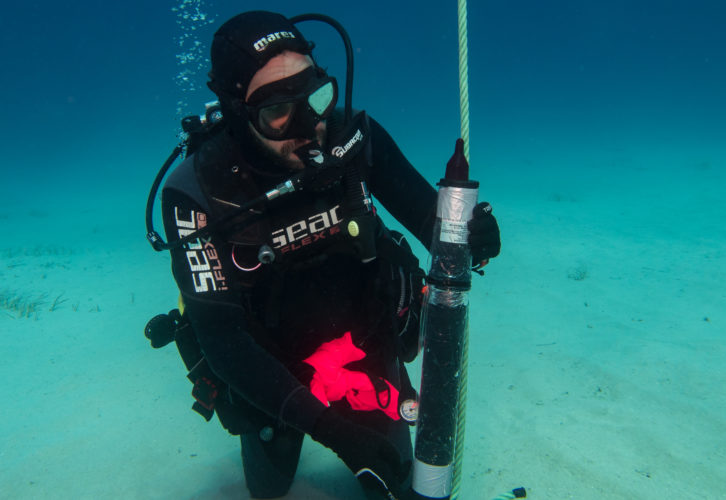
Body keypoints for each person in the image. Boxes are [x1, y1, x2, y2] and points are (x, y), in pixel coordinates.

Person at [159, 10, 500, 500]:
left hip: (364, 347)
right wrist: (332, 432)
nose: (310, 126)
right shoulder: (197, 192)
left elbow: (430, 220)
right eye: (277, 112)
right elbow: (223, 338)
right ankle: (287, 431)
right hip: (271, 369)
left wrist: (471, 237)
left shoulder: (353, 138)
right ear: (237, 111)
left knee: (408, 489)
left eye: (315, 96)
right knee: (268, 488)